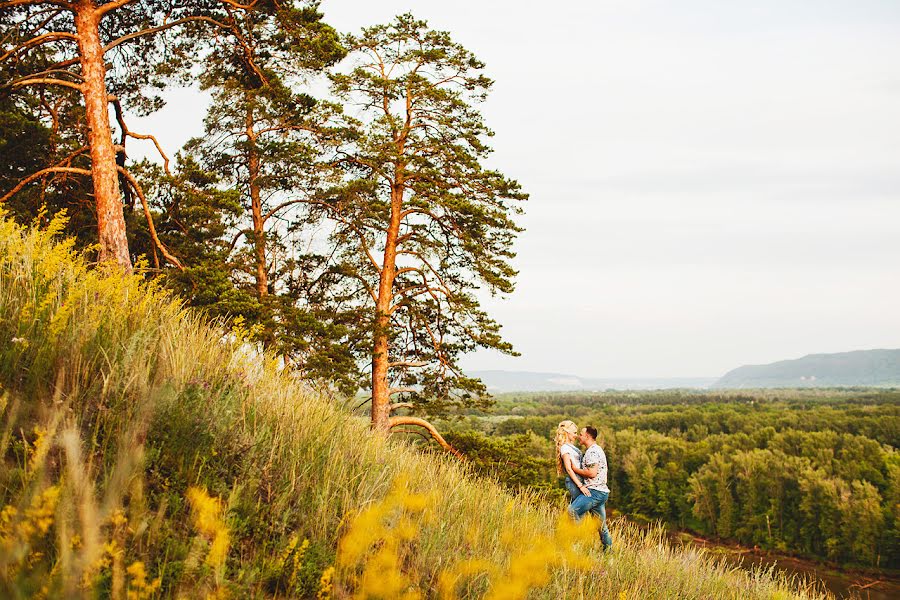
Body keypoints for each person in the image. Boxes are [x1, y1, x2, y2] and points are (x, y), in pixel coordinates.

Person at [568, 425, 613, 551]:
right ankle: (609, 553)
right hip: (601, 492)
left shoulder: (592, 452)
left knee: (572, 511)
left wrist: (575, 469)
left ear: (587, 436)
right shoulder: (595, 449)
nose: (578, 436)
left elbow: (592, 473)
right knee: (601, 526)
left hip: (594, 491)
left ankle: (575, 546)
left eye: (581, 434)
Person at [555, 420, 591, 500]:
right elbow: (568, 468)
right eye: (574, 433)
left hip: (578, 479)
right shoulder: (565, 448)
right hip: (574, 481)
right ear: (567, 433)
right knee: (577, 508)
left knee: (579, 507)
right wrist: (580, 485)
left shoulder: (570, 446)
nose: (576, 435)